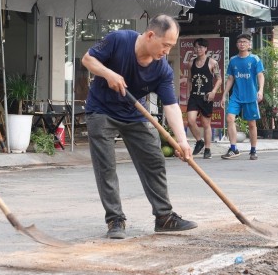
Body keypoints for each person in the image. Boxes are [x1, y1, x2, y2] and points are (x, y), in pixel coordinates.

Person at [81, 14, 197, 240]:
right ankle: (115, 219)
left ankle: (164, 217)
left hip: (136, 113)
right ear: (151, 35)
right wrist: (108, 73)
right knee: (106, 166)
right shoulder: (118, 40)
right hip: (101, 110)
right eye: (165, 45)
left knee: (154, 160)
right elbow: (87, 59)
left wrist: (182, 141)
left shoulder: (162, 69)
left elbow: (171, 106)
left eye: (171, 46)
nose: (167, 51)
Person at [221, 33, 264, 160]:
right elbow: (230, 78)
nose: (242, 44)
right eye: (240, 42)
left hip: (251, 96)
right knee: (229, 118)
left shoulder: (255, 59)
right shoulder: (233, 60)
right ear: (237, 44)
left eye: (245, 42)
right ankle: (233, 148)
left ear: (249, 44)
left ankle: (253, 150)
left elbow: (260, 75)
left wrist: (260, 90)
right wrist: (224, 95)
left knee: (251, 124)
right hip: (236, 96)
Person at [185, 38, 221, 159]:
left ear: (206, 49)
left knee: (206, 124)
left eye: (200, 47)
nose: (198, 49)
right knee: (190, 120)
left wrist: (213, 92)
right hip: (194, 96)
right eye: (196, 47)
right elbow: (189, 79)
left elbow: (219, 79)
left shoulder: (212, 63)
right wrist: (188, 93)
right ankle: (199, 141)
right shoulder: (191, 63)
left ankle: (207, 148)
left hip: (206, 97)